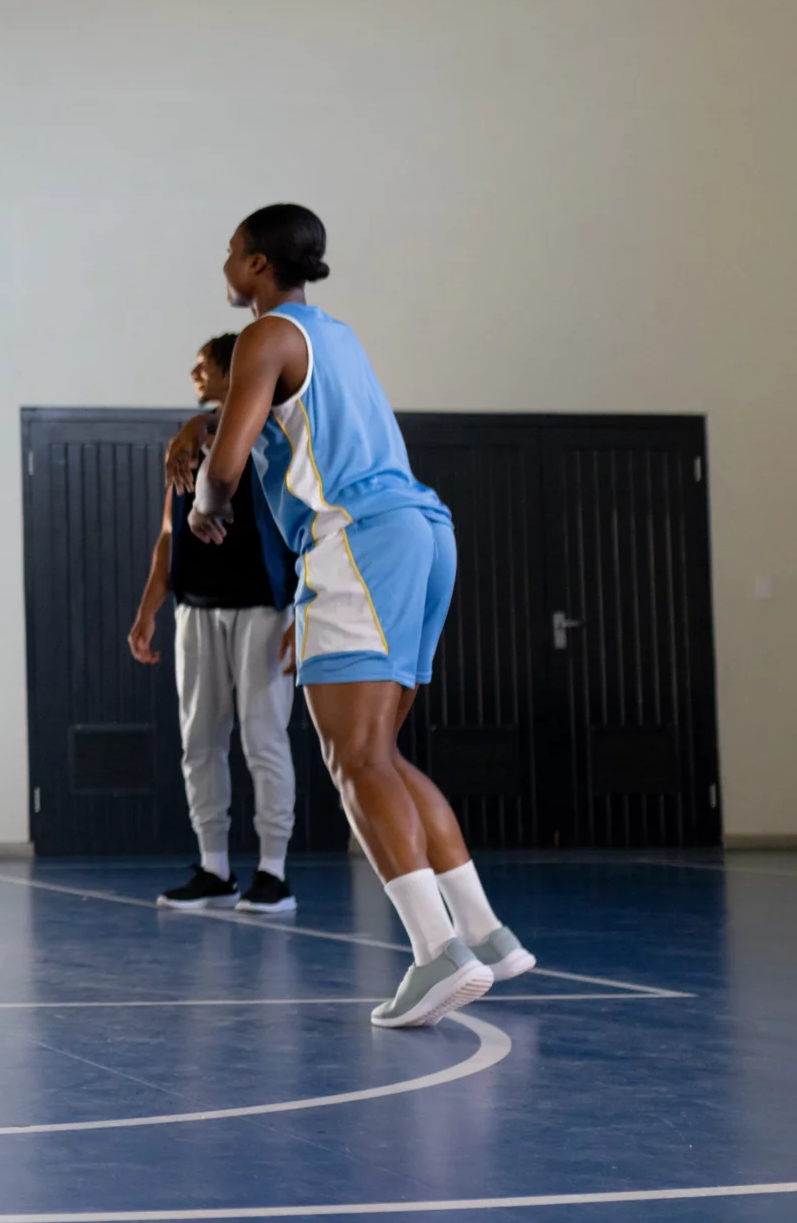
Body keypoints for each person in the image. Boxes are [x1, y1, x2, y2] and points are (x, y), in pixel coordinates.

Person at [181, 204, 533, 1028]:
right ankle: (485, 934)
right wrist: (198, 425)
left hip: (356, 539)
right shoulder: (336, 336)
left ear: (261, 265)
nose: (225, 265)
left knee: (352, 760)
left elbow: (228, 465)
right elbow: (260, 426)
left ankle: (434, 954)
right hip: (418, 533)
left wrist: (204, 504)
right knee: (381, 753)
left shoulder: (266, 337)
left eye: (232, 252)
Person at [132, 331, 298, 915]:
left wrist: (304, 613)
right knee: (199, 742)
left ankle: (273, 873)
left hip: (265, 607)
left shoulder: (275, 435)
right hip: (196, 609)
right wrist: (148, 609)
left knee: (263, 739)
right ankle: (215, 868)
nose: (194, 372)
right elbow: (170, 534)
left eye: (204, 365)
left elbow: (307, 531)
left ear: (236, 371)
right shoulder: (183, 446)